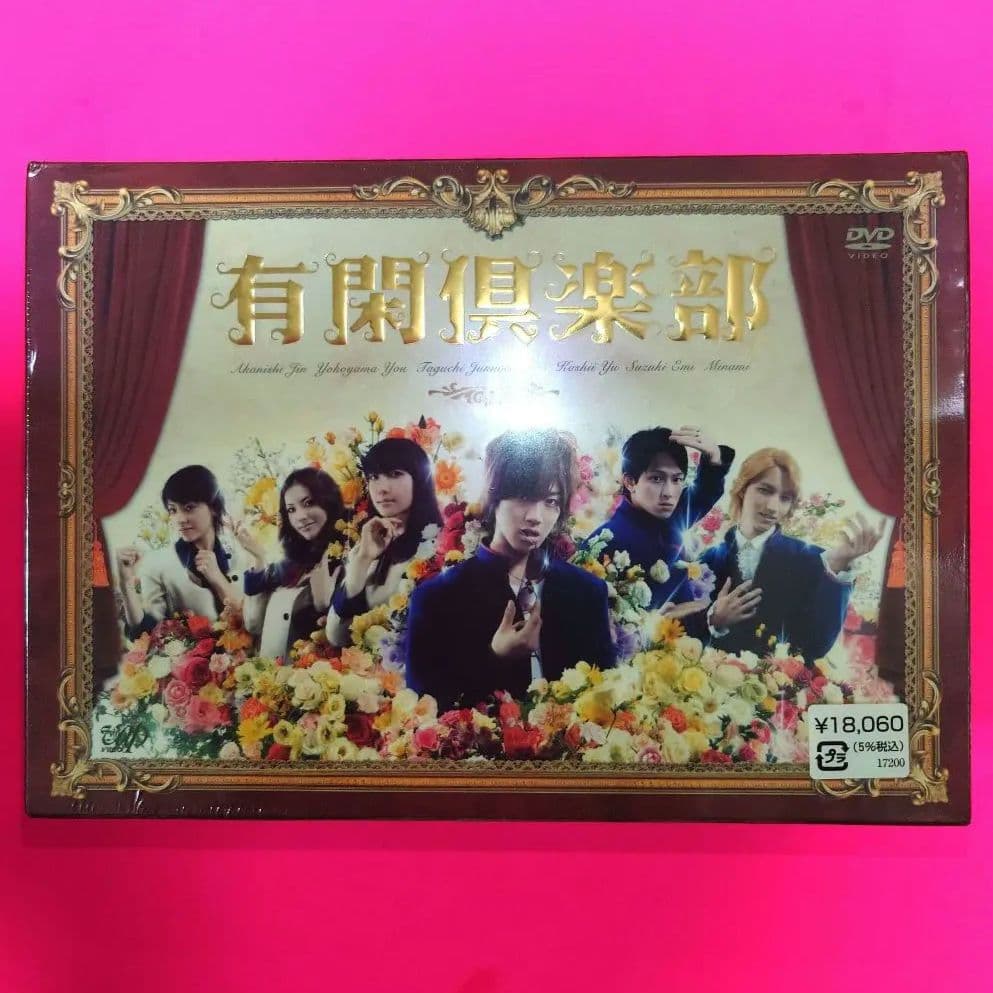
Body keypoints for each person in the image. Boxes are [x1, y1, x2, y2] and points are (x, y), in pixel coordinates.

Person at [405, 429, 615, 712]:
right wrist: (495, 657)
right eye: (524, 497)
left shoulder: (587, 591)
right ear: (495, 497)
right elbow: (424, 714)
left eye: (551, 502)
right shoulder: (436, 598)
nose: (535, 516)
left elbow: (607, 699)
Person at [701, 448, 884, 662]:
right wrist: (715, 621)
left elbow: (817, 647)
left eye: (785, 498)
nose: (773, 507)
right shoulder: (707, 561)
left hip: (780, 683)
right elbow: (680, 633)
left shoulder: (815, 561)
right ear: (742, 489)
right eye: (765, 490)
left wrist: (838, 566)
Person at [587, 425, 734, 609]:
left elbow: (705, 491)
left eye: (677, 479)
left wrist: (714, 459)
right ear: (630, 482)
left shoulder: (671, 516)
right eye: (657, 479)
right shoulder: (603, 541)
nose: (669, 493)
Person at [326, 437, 442, 647]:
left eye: (395, 474)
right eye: (374, 477)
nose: (381, 488)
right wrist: (362, 561)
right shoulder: (365, 547)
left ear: (420, 479)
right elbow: (336, 636)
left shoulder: (444, 546)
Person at [117, 465, 254, 639]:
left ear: (213, 507)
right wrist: (126, 583)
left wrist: (217, 578)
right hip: (194, 655)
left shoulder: (242, 554)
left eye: (189, 507)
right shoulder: (159, 565)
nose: (180, 519)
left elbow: (256, 620)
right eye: (173, 510)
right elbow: (145, 633)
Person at [240, 467, 344, 661]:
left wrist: (325, 604)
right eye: (291, 510)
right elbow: (253, 624)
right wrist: (259, 559)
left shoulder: (349, 561)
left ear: (328, 502)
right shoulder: (285, 567)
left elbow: (344, 639)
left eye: (308, 503)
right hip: (267, 675)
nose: (300, 516)